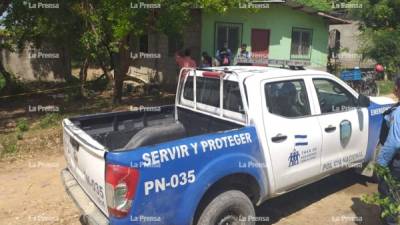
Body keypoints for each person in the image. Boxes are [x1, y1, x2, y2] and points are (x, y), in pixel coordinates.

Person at [376, 77, 400, 225]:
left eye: (395, 87)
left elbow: (395, 142)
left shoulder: (397, 113)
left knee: (388, 193)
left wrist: (381, 163)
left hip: (396, 162)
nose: (393, 90)